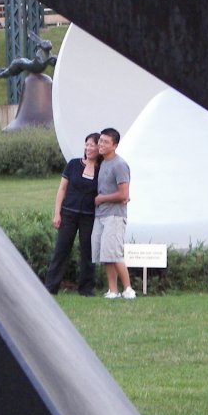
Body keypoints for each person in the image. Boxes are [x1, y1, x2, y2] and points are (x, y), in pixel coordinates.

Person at [43, 133, 101, 296]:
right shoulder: (74, 164)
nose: (89, 148)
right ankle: (51, 287)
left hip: (89, 216)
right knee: (61, 250)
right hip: (69, 213)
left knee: (88, 252)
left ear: (99, 149)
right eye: (87, 144)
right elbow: (62, 189)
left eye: (93, 145)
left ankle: (86, 289)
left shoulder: (101, 170)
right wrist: (57, 213)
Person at [92, 128, 135, 299]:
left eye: (105, 142)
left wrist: (102, 198)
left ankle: (128, 289)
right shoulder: (103, 163)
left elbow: (124, 194)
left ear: (115, 145)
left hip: (115, 215)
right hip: (101, 215)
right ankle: (113, 290)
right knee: (106, 254)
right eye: (100, 141)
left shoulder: (119, 165)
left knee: (115, 253)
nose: (101, 144)